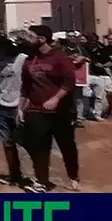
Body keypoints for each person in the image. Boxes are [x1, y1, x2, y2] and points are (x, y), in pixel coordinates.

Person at [20, 25, 79, 192]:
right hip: (36, 109)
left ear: (42, 39)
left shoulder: (60, 58)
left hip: (60, 110)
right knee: (37, 145)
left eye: (31, 36)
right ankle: (42, 181)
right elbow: (26, 86)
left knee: (66, 144)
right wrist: (20, 107)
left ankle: (73, 176)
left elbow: (69, 82)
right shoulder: (29, 60)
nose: (27, 39)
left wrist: (55, 98)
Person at [0, 32, 30, 185]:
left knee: (26, 142)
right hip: (1, 106)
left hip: (21, 106)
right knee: (7, 143)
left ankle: (34, 176)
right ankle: (14, 175)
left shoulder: (22, 59)